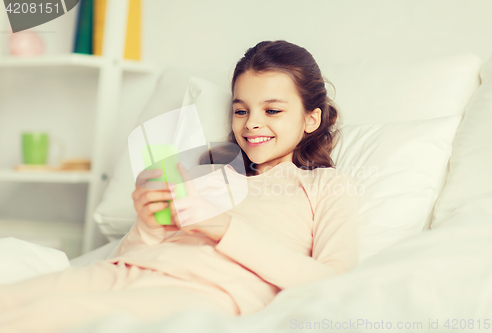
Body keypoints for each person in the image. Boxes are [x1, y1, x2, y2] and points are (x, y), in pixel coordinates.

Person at [0, 40, 360, 333]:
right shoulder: (209, 170)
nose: (251, 124)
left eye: (272, 111)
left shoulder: (325, 185)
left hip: (203, 291)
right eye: (240, 110)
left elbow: (332, 280)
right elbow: (124, 257)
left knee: (43, 319)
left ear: (311, 118)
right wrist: (147, 225)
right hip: (126, 272)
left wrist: (223, 228)